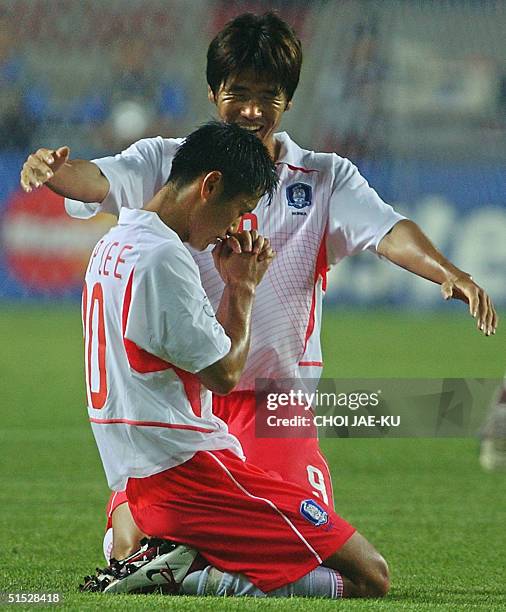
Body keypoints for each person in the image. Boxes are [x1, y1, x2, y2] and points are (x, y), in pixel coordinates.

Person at [20, 12, 497, 565]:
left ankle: (167, 539)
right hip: (190, 401)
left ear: (288, 101)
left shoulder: (324, 177)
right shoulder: (171, 161)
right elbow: (98, 180)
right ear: (212, 92)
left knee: (308, 553)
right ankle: (140, 527)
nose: (250, 109)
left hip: (278, 405)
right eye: (237, 92)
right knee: (138, 550)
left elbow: (388, 230)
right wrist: (54, 171)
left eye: (266, 95)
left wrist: (449, 272)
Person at [78, 120, 389, 599]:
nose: (234, 227)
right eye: (240, 210)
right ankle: (196, 578)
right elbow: (224, 375)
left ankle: (164, 552)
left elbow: (192, 355)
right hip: (189, 475)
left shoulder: (112, 246)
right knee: (368, 576)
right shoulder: (164, 259)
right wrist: (242, 289)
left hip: (140, 475)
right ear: (210, 186)